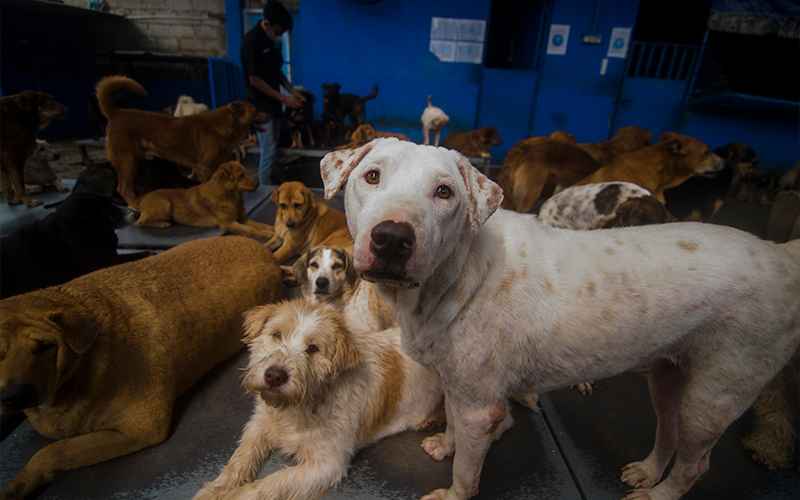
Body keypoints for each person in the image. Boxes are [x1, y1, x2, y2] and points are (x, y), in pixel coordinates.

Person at [241, 1, 304, 185]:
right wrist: (285, 98)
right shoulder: (251, 42)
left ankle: (274, 187)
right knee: (267, 151)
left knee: (275, 148)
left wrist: (293, 91)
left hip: (274, 104)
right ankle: (264, 194)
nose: (279, 36)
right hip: (259, 106)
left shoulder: (272, 43)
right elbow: (254, 80)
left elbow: (278, 73)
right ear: (266, 24)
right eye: (277, 32)